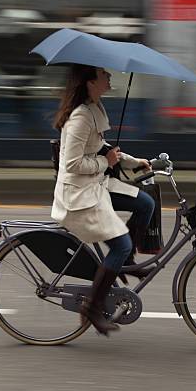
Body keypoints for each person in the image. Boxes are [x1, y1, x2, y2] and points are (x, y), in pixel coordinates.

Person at [51, 64, 155, 335]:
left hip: (95, 184)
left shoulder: (94, 108)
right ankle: (93, 308)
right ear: (90, 82)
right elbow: (72, 163)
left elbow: (103, 149)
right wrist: (103, 162)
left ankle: (127, 262)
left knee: (146, 204)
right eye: (104, 75)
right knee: (120, 244)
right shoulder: (80, 117)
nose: (109, 78)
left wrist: (134, 161)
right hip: (79, 194)